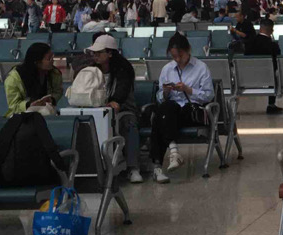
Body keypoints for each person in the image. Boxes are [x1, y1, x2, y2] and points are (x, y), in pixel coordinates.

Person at [149, 33, 213, 183]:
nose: (177, 59)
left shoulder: (201, 68)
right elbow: (160, 97)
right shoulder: (167, 69)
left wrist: (188, 90)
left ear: (188, 50)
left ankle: (158, 166)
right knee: (166, 108)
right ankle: (173, 152)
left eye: (180, 55)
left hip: (191, 110)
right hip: (171, 112)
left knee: (160, 118)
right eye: (174, 56)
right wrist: (165, 92)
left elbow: (209, 95)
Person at [84, 34, 143, 183]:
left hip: (123, 110)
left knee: (129, 123)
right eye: (94, 53)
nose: (95, 56)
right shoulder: (92, 70)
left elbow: (121, 93)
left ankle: (133, 167)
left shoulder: (124, 70)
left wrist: (114, 101)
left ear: (110, 53)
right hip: (98, 111)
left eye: (99, 53)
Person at [4, 41, 63, 115]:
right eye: (49, 59)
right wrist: (29, 105)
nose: (53, 60)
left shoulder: (54, 73)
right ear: (37, 62)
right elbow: (13, 105)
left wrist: (52, 99)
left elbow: (58, 91)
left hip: (46, 113)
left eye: (52, 57)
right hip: (21, 116)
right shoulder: (14, 78)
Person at [243, 18, 283, 114]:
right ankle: (271, 105)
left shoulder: (249, 43)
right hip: (268, 77)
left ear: (260, 28)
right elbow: (277, 62)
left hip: (248, 77)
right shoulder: (273, 46)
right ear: (272, 30)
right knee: (274, 73)